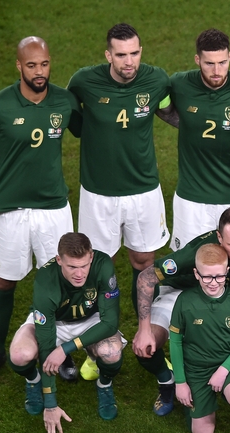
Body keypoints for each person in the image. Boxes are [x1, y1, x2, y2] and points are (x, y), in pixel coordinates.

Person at [0, 36, 81, 382]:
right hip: (9, 210)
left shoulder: (64, 101)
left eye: (44, 64)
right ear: (19, 66)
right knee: (4, 281)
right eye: (31, 65)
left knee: (61, 280)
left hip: (53, 208)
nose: (39, 71)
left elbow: (87, 131)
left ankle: (61, 348)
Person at [133, 208, 230, 415]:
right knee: (147, 346)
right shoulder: (195, 253)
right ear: (219, 237)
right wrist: (144, 329)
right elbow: (146, 278)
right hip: (182, 294)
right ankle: (167, 382)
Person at [67, 23, 171, 318]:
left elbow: (168, 110)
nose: (129, 61)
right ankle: (103, 325)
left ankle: (146, 324)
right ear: (108, 55)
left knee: (144, 260)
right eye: (121, 55)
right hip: (99, 192)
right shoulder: (83, 81)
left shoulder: (157, 80)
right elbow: (73, 120)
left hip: (144, 189)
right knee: (100, 263)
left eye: (134, 53)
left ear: (141, 51)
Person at [7, 233, 125, 433]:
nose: (79, 274)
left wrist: (65, 349)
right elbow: (46, 343)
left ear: (91, 256)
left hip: (91, 320)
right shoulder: (45, 280)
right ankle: (33, 379)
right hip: (56, 322)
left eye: (84, 266)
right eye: (71, 267)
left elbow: (109, 323)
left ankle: (104, 384)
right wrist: (50, 403)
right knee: (19, 355)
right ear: (59, 260)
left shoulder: (103, 264)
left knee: (112, 351)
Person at [156, 29, 230, 251]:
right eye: (209, 64)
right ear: (197, 60)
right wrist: (188, 125)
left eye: (222, 62)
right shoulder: (179, 84)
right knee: (189, 260)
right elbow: (159, 104)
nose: (216, 71)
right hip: (191, 198)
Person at [169, 243, 230, 433]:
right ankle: (195, 400)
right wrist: (181, 383)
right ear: (196, 274)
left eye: (219, 276)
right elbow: (175, 342)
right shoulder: (184, 301)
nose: (213, 283)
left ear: (227, 271)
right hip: (196, 368)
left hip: (227, 364)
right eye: (207, 277)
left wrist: (223, 370)